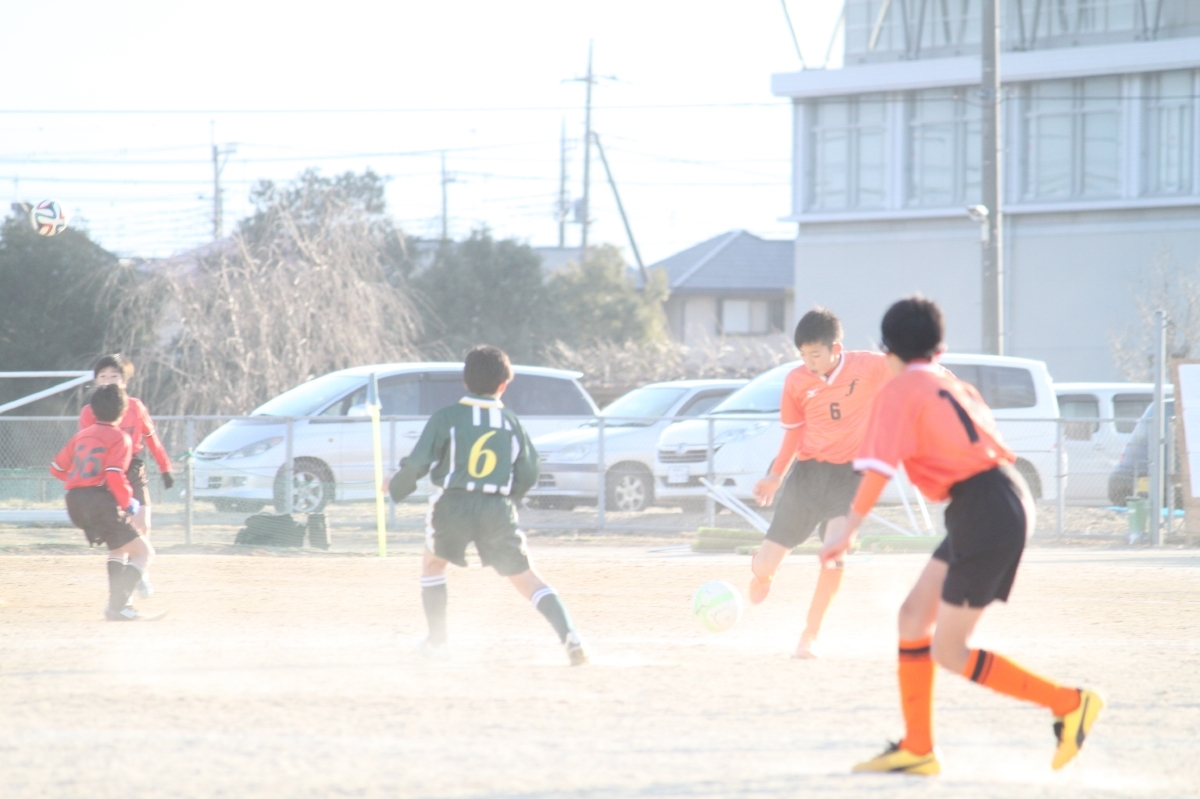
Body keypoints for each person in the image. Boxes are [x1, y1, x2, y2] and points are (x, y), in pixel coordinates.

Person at [820, 296, 1102, 775]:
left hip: (984, 508)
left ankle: (1069, 703)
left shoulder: (900, 389)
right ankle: (918, 747)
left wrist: (847, 530)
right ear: (940, 348)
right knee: (913, 616)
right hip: (997, 497)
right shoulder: (952, 383)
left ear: (887, 351)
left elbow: (878, 469)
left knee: (949, 650)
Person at [388, 346, 588, 666]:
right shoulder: (510, 422)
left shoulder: (447, 417)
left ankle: (438, 643)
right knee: (527, 578)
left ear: (465, 382)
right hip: (496, 508)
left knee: (433, 565)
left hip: (453, 505)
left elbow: (418, 462)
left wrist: (396, 485)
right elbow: (529, 471)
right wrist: (508, 497)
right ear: (504, 385)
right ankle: (571, 636)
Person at [750, 308, 892, 658]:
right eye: (803, 355)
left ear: (835, 349)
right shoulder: (796, 381)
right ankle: (763, 574)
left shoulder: (868, 366)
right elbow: (793, 434)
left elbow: (911, 370)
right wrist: (775, 475)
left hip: (851, 477)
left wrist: (944, 378)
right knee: (766, 563)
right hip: (808, 476)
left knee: (833, 554)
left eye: (815, 354)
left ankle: (809, 635)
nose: (809, 362)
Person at [52, 383, 157, 621]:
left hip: (74, 501)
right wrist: (127, 502)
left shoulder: (80, 436)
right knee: (144, 553)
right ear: (123, 411)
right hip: (98, 502)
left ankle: (118, 606)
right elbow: (113, 474)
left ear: (93, 410)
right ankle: (118, 607)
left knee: (118, 549)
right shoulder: (120, 437)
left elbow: (56, 468)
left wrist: (80, 482)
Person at [79, 354, 174, 598]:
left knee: (143, 524)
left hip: (133, 468)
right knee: (119, 535)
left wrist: (165, 467)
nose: (108, 380)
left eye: (114, 376)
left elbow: (151, 437)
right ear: (96, 381)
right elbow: (87, 447)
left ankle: (139, 570)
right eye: (103, 376)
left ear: (125, 381)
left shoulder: (136, 406)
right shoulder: (89, 411)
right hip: (107, 473)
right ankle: (123, 593)